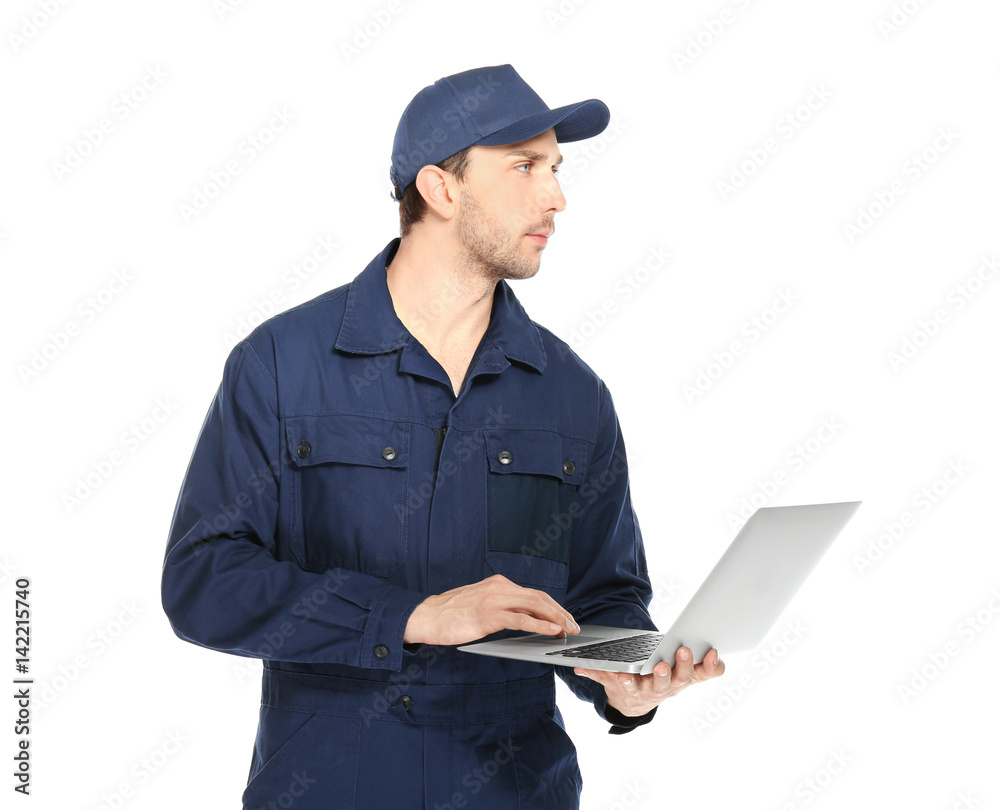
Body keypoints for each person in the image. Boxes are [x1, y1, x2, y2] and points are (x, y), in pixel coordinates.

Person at [161, 63, 725, 810]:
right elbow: (205, 583)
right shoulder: (282, 363)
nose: (556, 196)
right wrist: (414, 616)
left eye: (555, 168)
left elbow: (602, 593)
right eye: (525, 167)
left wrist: (627, 681)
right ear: (440, 188)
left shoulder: (571, 391)